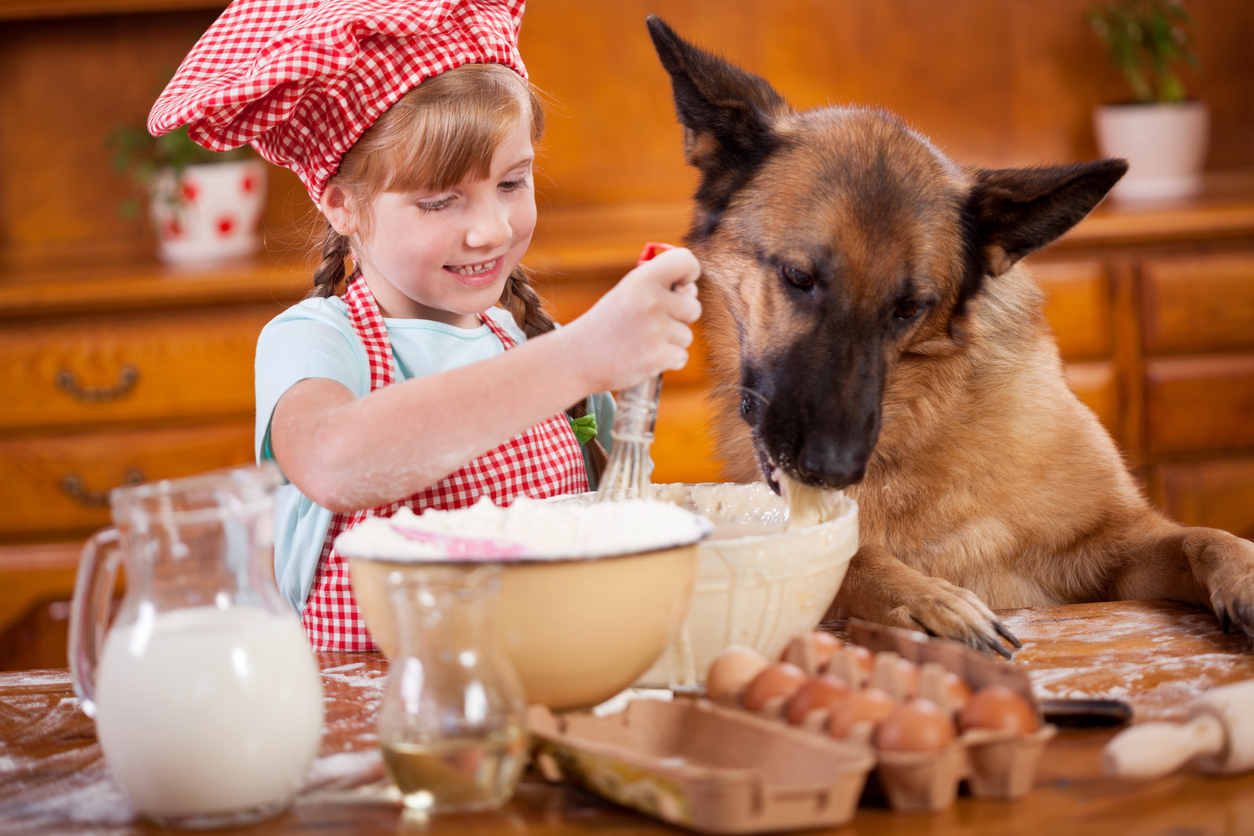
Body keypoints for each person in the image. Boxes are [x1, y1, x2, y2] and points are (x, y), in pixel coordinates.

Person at [148, 0, 701, 651]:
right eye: (440, 200)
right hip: (370, 723)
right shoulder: (319, 339)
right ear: (343, 204)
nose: (490, 228)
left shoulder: (541, 351)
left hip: (539, 704)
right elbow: (335, 461)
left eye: (512, 182)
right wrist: (579, 357)